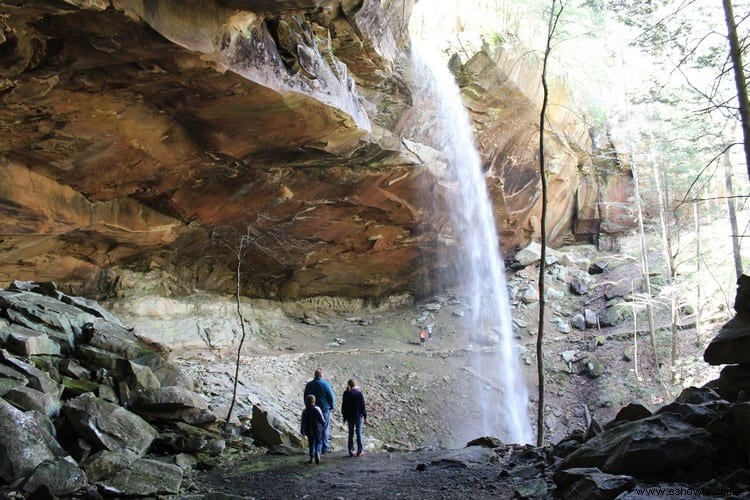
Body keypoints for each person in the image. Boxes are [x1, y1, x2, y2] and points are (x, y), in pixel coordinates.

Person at [304, 368, 336, 453]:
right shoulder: (326, 384)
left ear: (315, 375)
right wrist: (332, 406)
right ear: (321, 375)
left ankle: (314, 448)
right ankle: (325, 448)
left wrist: (307, 406)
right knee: (324, 428)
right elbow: (331, 397)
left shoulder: (309, 385)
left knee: (313, 428)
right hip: (324, 409)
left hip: (311, 409)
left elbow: (305, 397)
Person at [341, 378, 367, 457]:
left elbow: (343, 406)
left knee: (350, 433)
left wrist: (344, 416)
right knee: (359, 433)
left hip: (349, 416)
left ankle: (350, 451)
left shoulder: (346, 393)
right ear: (355, 384)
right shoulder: (359, 393)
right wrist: (365, 416)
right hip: (358, 416)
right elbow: (362, 406)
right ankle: (360, 451)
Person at [300, 394, 325, 464]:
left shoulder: (305, 411)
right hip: (317, 429)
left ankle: (311, 458)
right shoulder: (317, 409)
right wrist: (323, 425)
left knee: (311, 444)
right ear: (314, 401)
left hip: (309, 430)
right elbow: (322, 419)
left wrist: (302, 430)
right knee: (319, 442)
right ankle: (317, 452)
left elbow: (303, 421)